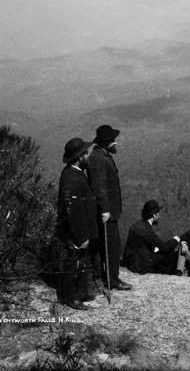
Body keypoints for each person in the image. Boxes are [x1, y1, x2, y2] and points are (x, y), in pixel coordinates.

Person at [53, 137, 98, 310]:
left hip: (81, 229)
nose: (88, 156)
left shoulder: (76, 172)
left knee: (81, 263)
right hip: (75, 232)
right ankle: (70, 298)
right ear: (80, 157)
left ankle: (80, 293)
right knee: (73, 264)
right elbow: (71, 211)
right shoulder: (72, 178)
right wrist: (80, 236)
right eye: (86, 153)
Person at [88, 124, 132, 291]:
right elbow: (99, 186)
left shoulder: (101, 155)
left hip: (106, 210)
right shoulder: (99, 158)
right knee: (112, 247)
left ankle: (101, 277)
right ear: (106, 142)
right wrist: (105, 208)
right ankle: (112, 280)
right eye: (113, 141)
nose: (116, 143)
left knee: (104, 246)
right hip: (106, 212)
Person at [122, 200, 181, 274]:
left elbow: (140, 246)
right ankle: (166, 274)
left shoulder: (136, 225)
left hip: (131, 262)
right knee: (170, 250)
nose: (159, 215)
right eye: (158, 213)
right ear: (154, 215)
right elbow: (165, 247)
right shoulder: (146, 230)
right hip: (140, 265)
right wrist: (176, 240)